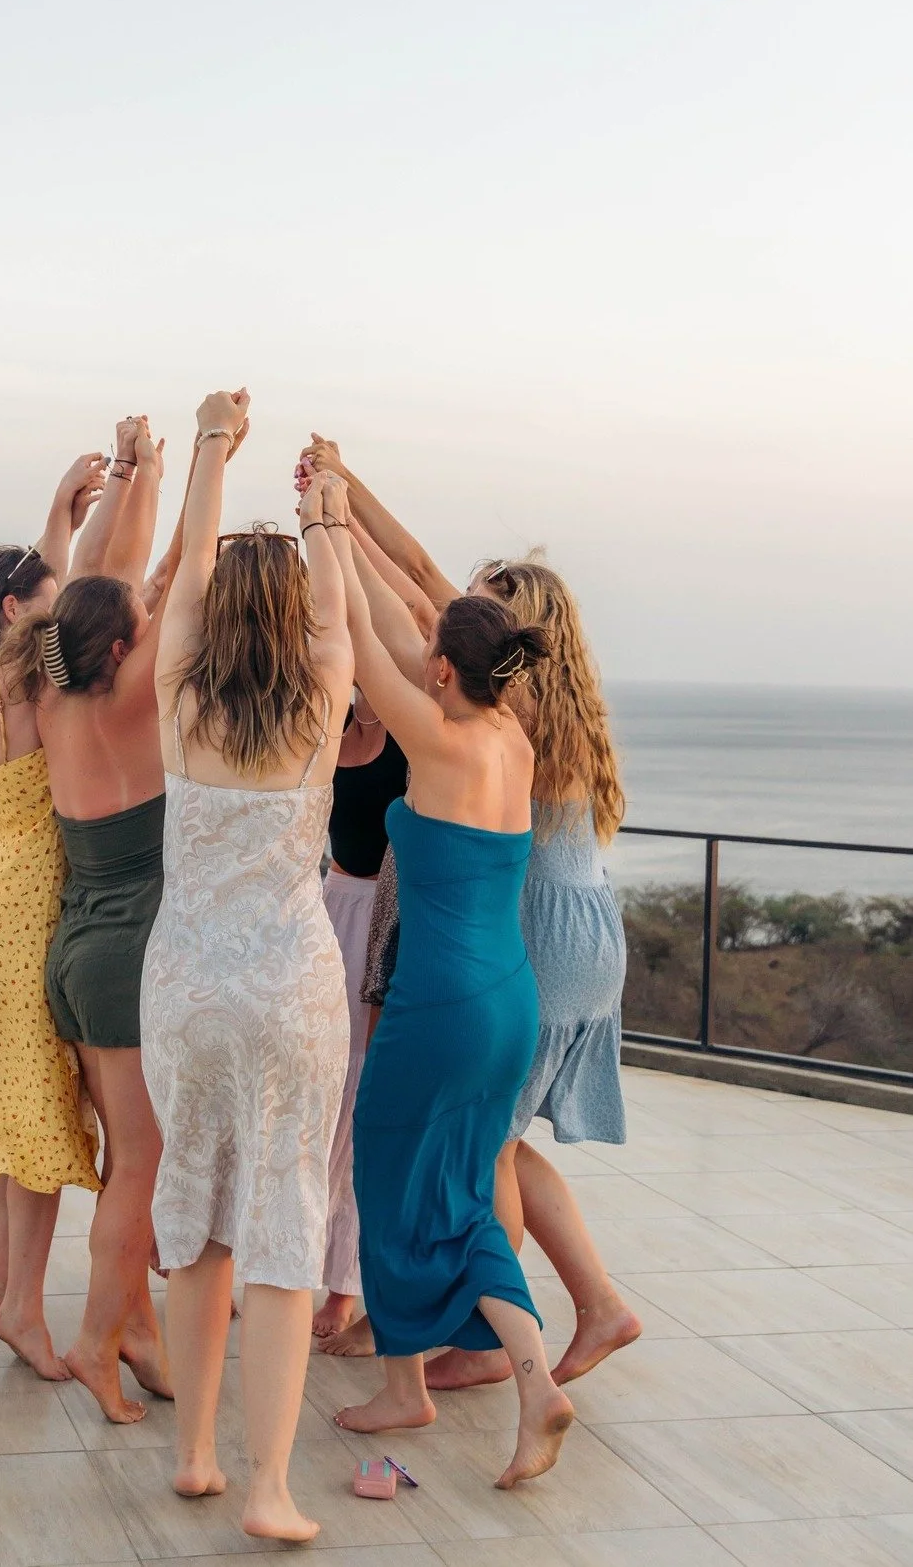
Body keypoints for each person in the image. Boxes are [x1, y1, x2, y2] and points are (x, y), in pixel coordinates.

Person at [301, 436, 640, 1385]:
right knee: (495, 1142)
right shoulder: (561, 708)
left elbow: (412, 587)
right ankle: (589, 1306)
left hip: (527, 938)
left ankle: (488, 1344)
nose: (453, 602)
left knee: (480, 1151)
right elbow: (416, 578)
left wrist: (333, 511)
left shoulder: (501, 714)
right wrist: (344, 490)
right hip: (588, 929)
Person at [321, 475, 576, 1489]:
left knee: (386, 1182)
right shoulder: (511, 735)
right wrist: (342, 518)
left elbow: (362, 631)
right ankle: (533, 1380)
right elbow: (404, 622)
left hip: (439, 1003)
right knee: (465, 1195)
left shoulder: (433, 737)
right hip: (509, 998)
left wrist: (323, 526)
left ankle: (404, 1388)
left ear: (440, 669)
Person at [140, 390, 353, 1544]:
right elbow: (335, 612)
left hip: (184, 983)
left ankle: (192, 1455)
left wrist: (215, 440)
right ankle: (268, 1484)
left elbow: (185, 573)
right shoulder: (322, 696)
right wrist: (323, 509)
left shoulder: (179, 695)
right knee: (282, 1213)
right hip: (289, 987)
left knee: (197, 1200)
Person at [0, 415, 176, 1425]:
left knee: (125, 1159)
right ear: (122, 646)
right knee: (141, 1164)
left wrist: (130, 473)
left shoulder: (54, 690)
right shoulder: (130, 701)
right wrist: (184, 466)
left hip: (75, 951)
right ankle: (97, 1342)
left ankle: (138, 1331)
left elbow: (104, 575)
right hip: (124, 956)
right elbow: (169, 578)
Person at [0, 451, 111, 1383]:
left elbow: (52, 585)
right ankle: (22, 1307)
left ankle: (13, 1295)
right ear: (16, 611)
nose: (59, 622)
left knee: (14, 1117)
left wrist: (59, 512)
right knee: (40, 1118)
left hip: (0, 899)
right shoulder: (20, 686)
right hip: (28, 910)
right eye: (43, 609)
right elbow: (76, 595)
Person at [310, 684, 408, 1343]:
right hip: (327, 904)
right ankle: (286, 1258)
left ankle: (344, 1286)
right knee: (318, 1097)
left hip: (386, 918)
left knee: (357, 1098)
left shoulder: (408, 732)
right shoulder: (330, 718)